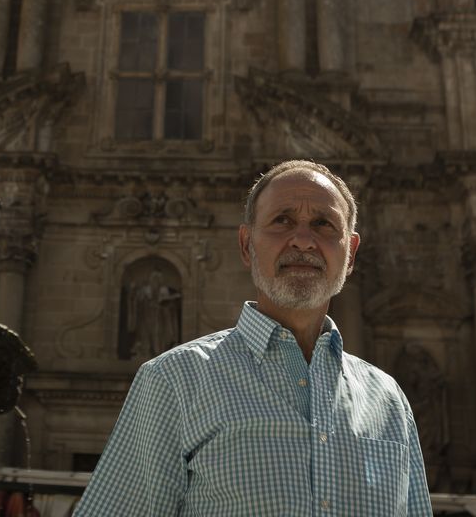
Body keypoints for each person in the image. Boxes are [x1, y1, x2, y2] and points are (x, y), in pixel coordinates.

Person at [76, 160, 434, 516]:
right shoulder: (173, 381)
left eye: (323, 224)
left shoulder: (389, 402)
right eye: (283, 221)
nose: (304, 241)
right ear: (247, 245)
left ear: (351, 252)